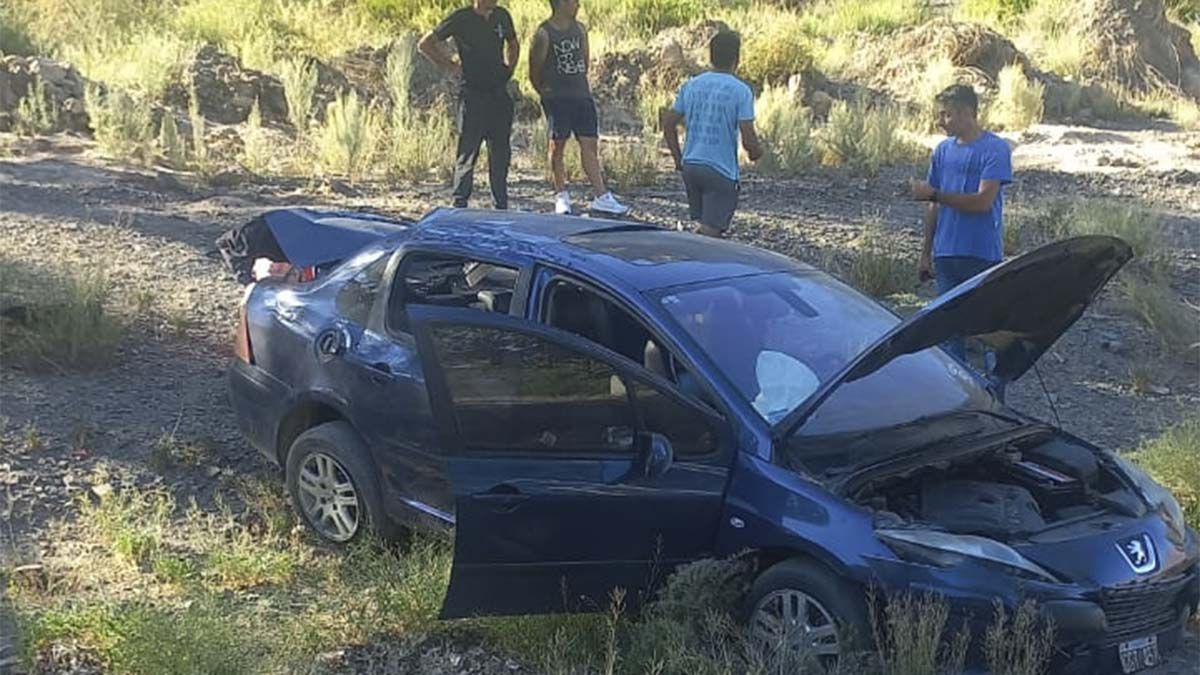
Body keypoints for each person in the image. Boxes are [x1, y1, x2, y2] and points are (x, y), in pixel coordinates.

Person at [910, 84, 1013, 391]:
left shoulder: (995, 149)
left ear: (968, 112)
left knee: (986, 328)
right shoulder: (942, 150)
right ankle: (958, 396)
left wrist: (937, 194)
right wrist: (926, 252)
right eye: (940, 114)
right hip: (946, 253)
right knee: (947, 329)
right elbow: (934, 205)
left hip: (981, 252)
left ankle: (995, 396)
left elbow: (982, 202)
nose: (941, 121)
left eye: (948, 114)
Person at [528, 0, 629, 216]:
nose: (578, 5)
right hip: (557, 98)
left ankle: (601, 195)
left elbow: (584, 60)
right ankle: (561, 195)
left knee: (589, 143)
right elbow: (534, 69)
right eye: (574, 2)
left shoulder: (580, 29)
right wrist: (545, 92)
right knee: (558, 146)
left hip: (581, 95)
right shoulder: (544, 34)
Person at [418, 0, 520, 210]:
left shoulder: (502, 15)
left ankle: (500, 204)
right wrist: (450, 66)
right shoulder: (461, 18)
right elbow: (425, 44)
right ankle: (460, 203)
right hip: (473, 95)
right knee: (467, 151)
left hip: (498, 95)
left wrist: (509, 69)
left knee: (500, 152)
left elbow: (513, 43)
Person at [661, 31, 762, 238]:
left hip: (691, 165)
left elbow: (668, 123)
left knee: (704, 224)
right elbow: (748, 137)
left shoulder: (691, 85)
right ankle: (686, 260)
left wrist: (678, 159)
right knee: (711, 233)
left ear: (711, 57)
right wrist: (756, 152)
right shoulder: (741, 91)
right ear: (737, 59)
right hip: (720, 170)